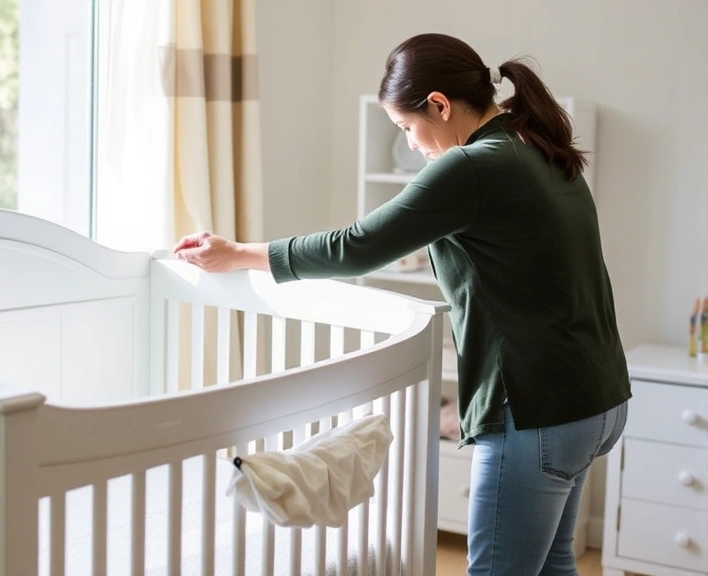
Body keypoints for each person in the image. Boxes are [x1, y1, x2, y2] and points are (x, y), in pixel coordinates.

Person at [173, 32, 631, 576]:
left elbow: (358, 246)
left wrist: (238, 254)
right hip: (597, 399)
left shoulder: (472, 166)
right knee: (554, 565)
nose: (412, 145)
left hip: (537, 410)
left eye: (408, 128)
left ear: (439, 104)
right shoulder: (537, 144)